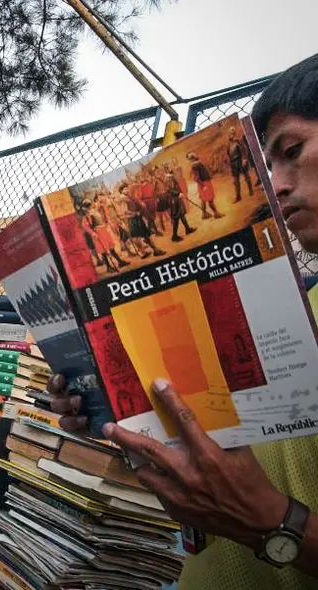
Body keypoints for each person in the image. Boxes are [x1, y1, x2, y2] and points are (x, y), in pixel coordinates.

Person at [47, 53, 318, 589]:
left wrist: (271, 522)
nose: (276, 186)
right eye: (266, 167)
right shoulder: (296, 306)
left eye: (293, 151)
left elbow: (257, 502)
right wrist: (120, 412)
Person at [228, 126, 255, 202]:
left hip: (240, 160)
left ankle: (251, 190)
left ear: (234, 133)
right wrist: (230, 166)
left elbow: (244, 149)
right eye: (230, 132)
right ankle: (238, 196)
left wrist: (244, 159)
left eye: (232, 132)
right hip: (233, 163)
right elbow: (229, 155)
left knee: (246, 176)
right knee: (236, 181)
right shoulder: (229, 143)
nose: (231, 134)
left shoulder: (238, 141)